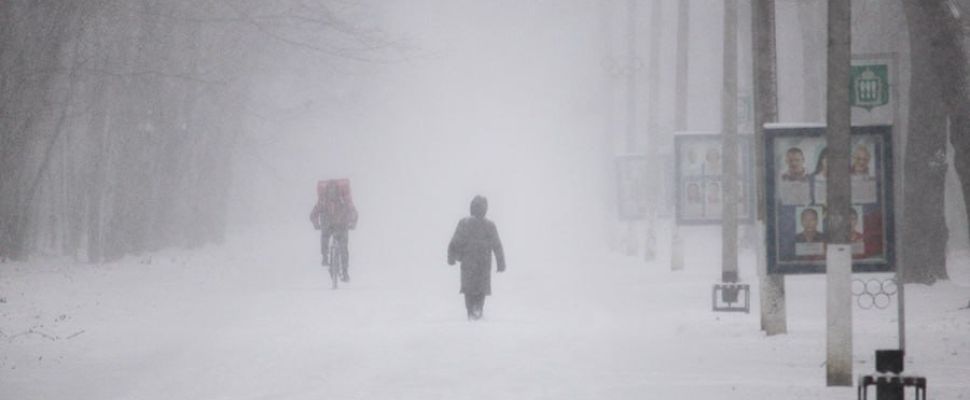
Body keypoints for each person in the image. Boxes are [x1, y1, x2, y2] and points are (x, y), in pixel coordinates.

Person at [448, 195, 506, 321]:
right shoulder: (489, 225)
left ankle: (471, 312)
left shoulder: (464, 223)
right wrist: (501, 263)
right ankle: (478, 311)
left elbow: (455, 242)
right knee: (481, 290)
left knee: (469, 290)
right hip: (483, 265)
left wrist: (451, 257)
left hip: (468, 264)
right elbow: (497, 245)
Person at [310, 181, 358, 282]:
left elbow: (313, 214)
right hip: (341, 226)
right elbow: (353, 212)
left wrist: (316, 225)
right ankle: (342, 271)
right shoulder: (343, 201)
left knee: (329, 239)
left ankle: (326, 259)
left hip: (333, 226)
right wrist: (352, 224)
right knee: (343, 248)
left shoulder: (324, 201)